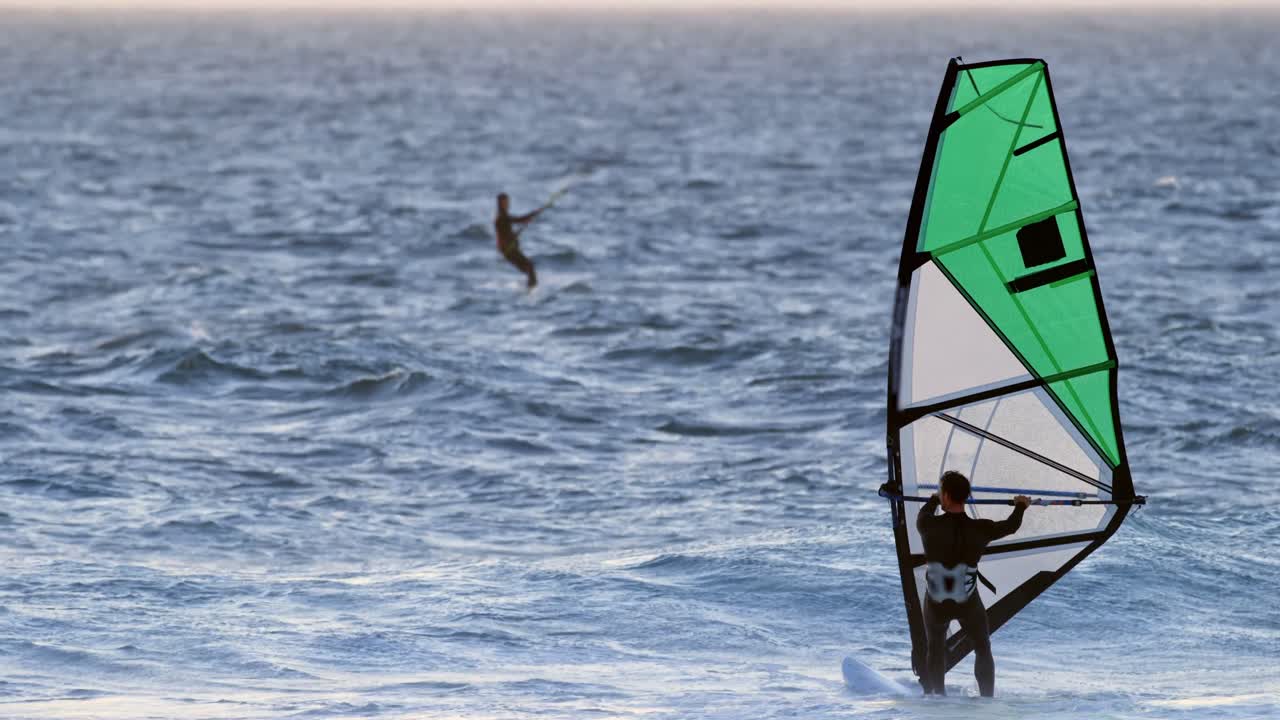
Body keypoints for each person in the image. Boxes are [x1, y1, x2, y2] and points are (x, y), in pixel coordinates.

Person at [916, 471, 1031, 698]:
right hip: (966, 602)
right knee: (982, 648)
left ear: (946, 496)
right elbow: (1010, 526)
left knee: (935, 647)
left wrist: (933, 499)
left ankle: (938, 698)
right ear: (966, 497)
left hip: (936, 602)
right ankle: (987, 700)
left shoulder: (927, 524)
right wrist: (1020, 506)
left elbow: (925, 511)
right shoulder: (981, 529)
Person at [494, 193, 546, 288]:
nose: (507, 204)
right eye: (505, 203)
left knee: (528, 269)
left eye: (507, 202)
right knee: (529, 266)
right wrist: (533, 214)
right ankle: (532, 290)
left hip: (509, 249)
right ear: (500, 204)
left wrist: (514, 236)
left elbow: (506, 232)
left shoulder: (504, 216)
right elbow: (519, 220)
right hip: (508, 250)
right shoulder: (501, 217)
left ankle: (529, 288)